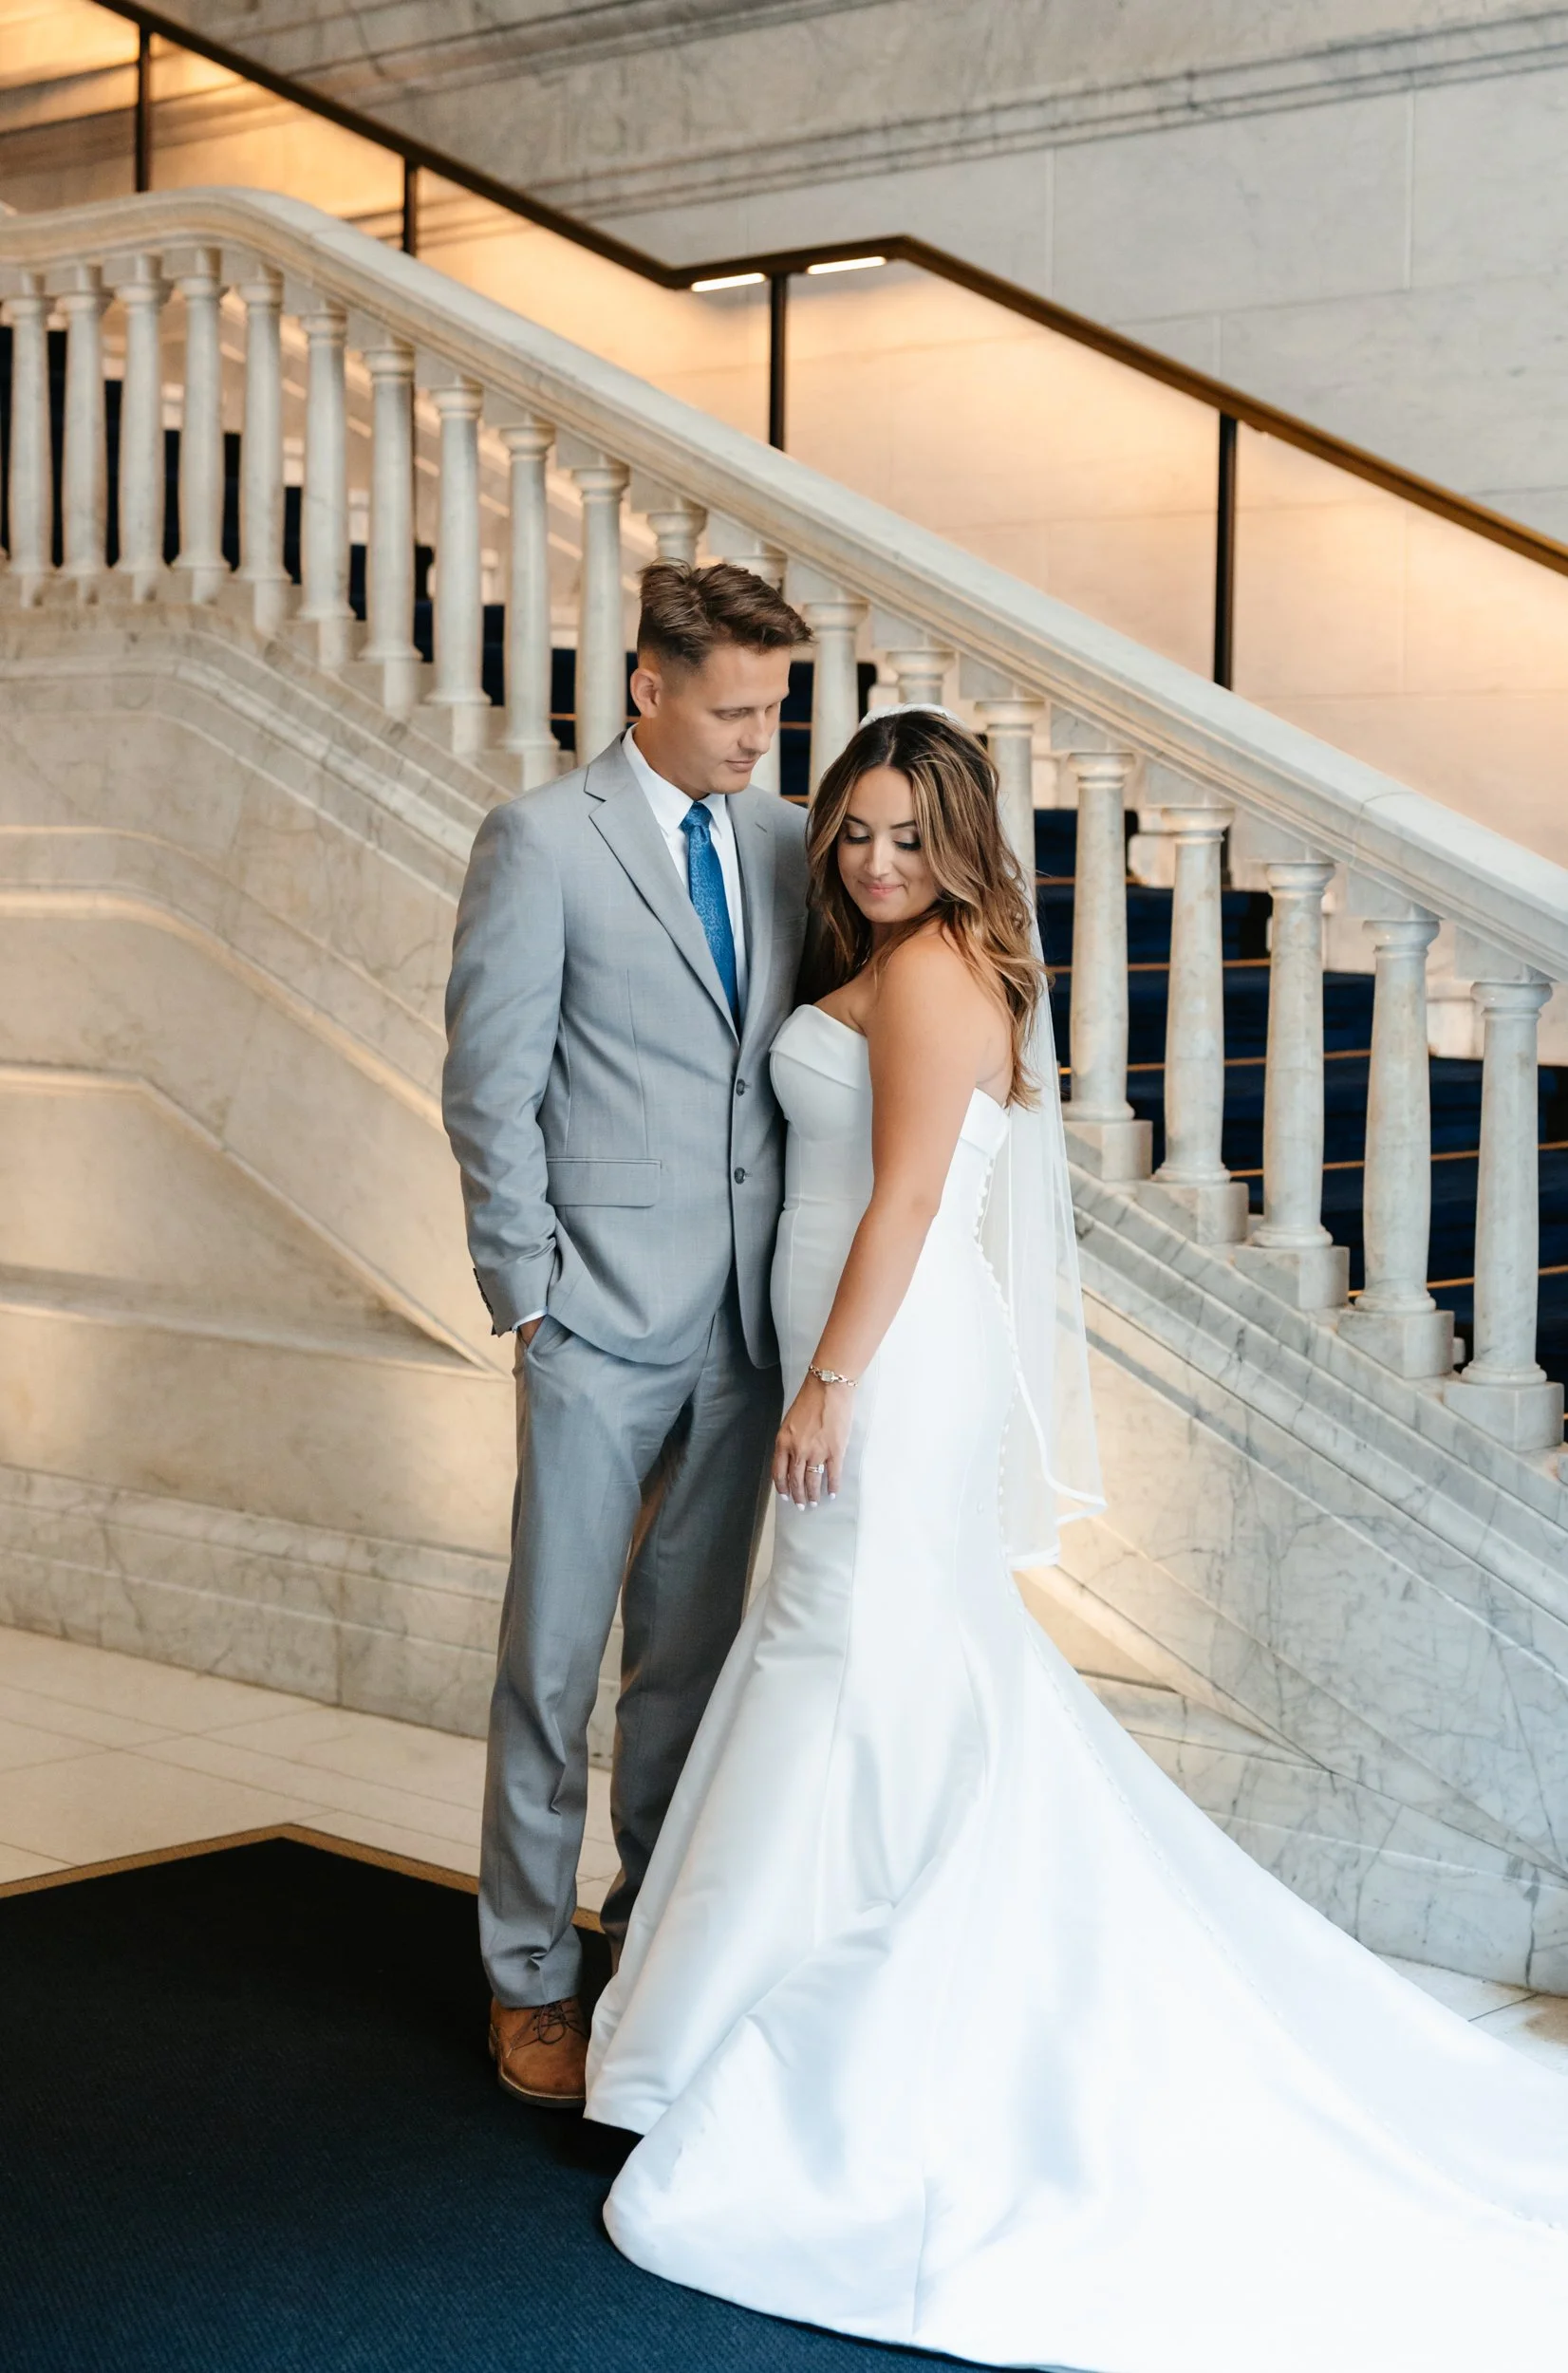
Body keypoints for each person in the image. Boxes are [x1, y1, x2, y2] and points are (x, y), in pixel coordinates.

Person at [586, 706, 1568, 2372]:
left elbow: (902, 1198)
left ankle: (776, 2013)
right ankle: (753, 1992)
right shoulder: (919, 957)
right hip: (877, 1348)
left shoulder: (931, 974)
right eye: (855, 833)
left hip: (885, 1362)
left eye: (906, 836)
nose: (874, 862)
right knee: (860, 1653)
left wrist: (831, 1380)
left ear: (961, 842)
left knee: (840, 1650)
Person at [442, 560, 812, 2110]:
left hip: (747, 1323)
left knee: (690, 1663)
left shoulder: (798, 842)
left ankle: (645, 1941)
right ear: (648, 687)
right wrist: (530, 1295)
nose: (757, 741)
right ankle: (526, 1978)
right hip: (595, 1316)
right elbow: (491, 1079)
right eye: (733, 710)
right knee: (551, 1659)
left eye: (775, 711)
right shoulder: (541, 841)